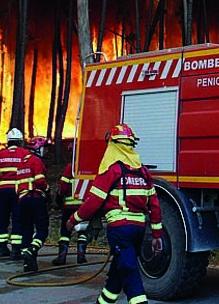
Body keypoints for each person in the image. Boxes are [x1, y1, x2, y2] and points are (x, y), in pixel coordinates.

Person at [67, 123, 164, 304]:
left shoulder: (112, 170)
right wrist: (157, 235)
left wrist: (73, 220)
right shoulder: (143, 172)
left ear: (113, 145)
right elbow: (155, 206)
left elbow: (93, 202)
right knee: (118, 271)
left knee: (129, 271)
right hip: (138, 231)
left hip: (120, 230)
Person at [0, 128, 31, 259]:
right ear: (20, 141)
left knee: (2, 217)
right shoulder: (25, 153)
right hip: (17, 190)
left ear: (8, 142)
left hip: (3, 190)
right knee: (17, 217)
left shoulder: (1, 154)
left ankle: (2, 248)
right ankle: (16, 250)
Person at [16, 149, 50, 273]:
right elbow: (40, 181)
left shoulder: (21, 164)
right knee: (42, 229)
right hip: (35, 198)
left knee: (26, 231)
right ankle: (33, 250)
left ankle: (28, 264)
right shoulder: (36, 161)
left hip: (22, 200)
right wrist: (47, 189)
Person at [51, 160, 90, 265]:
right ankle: (81, 255)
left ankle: (62, 257)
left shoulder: (71, 167)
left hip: (69, 205)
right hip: (83, 206)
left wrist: (59, 197)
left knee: (65, 231)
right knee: (82, 230)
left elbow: (63, 185)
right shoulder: (90, 167)